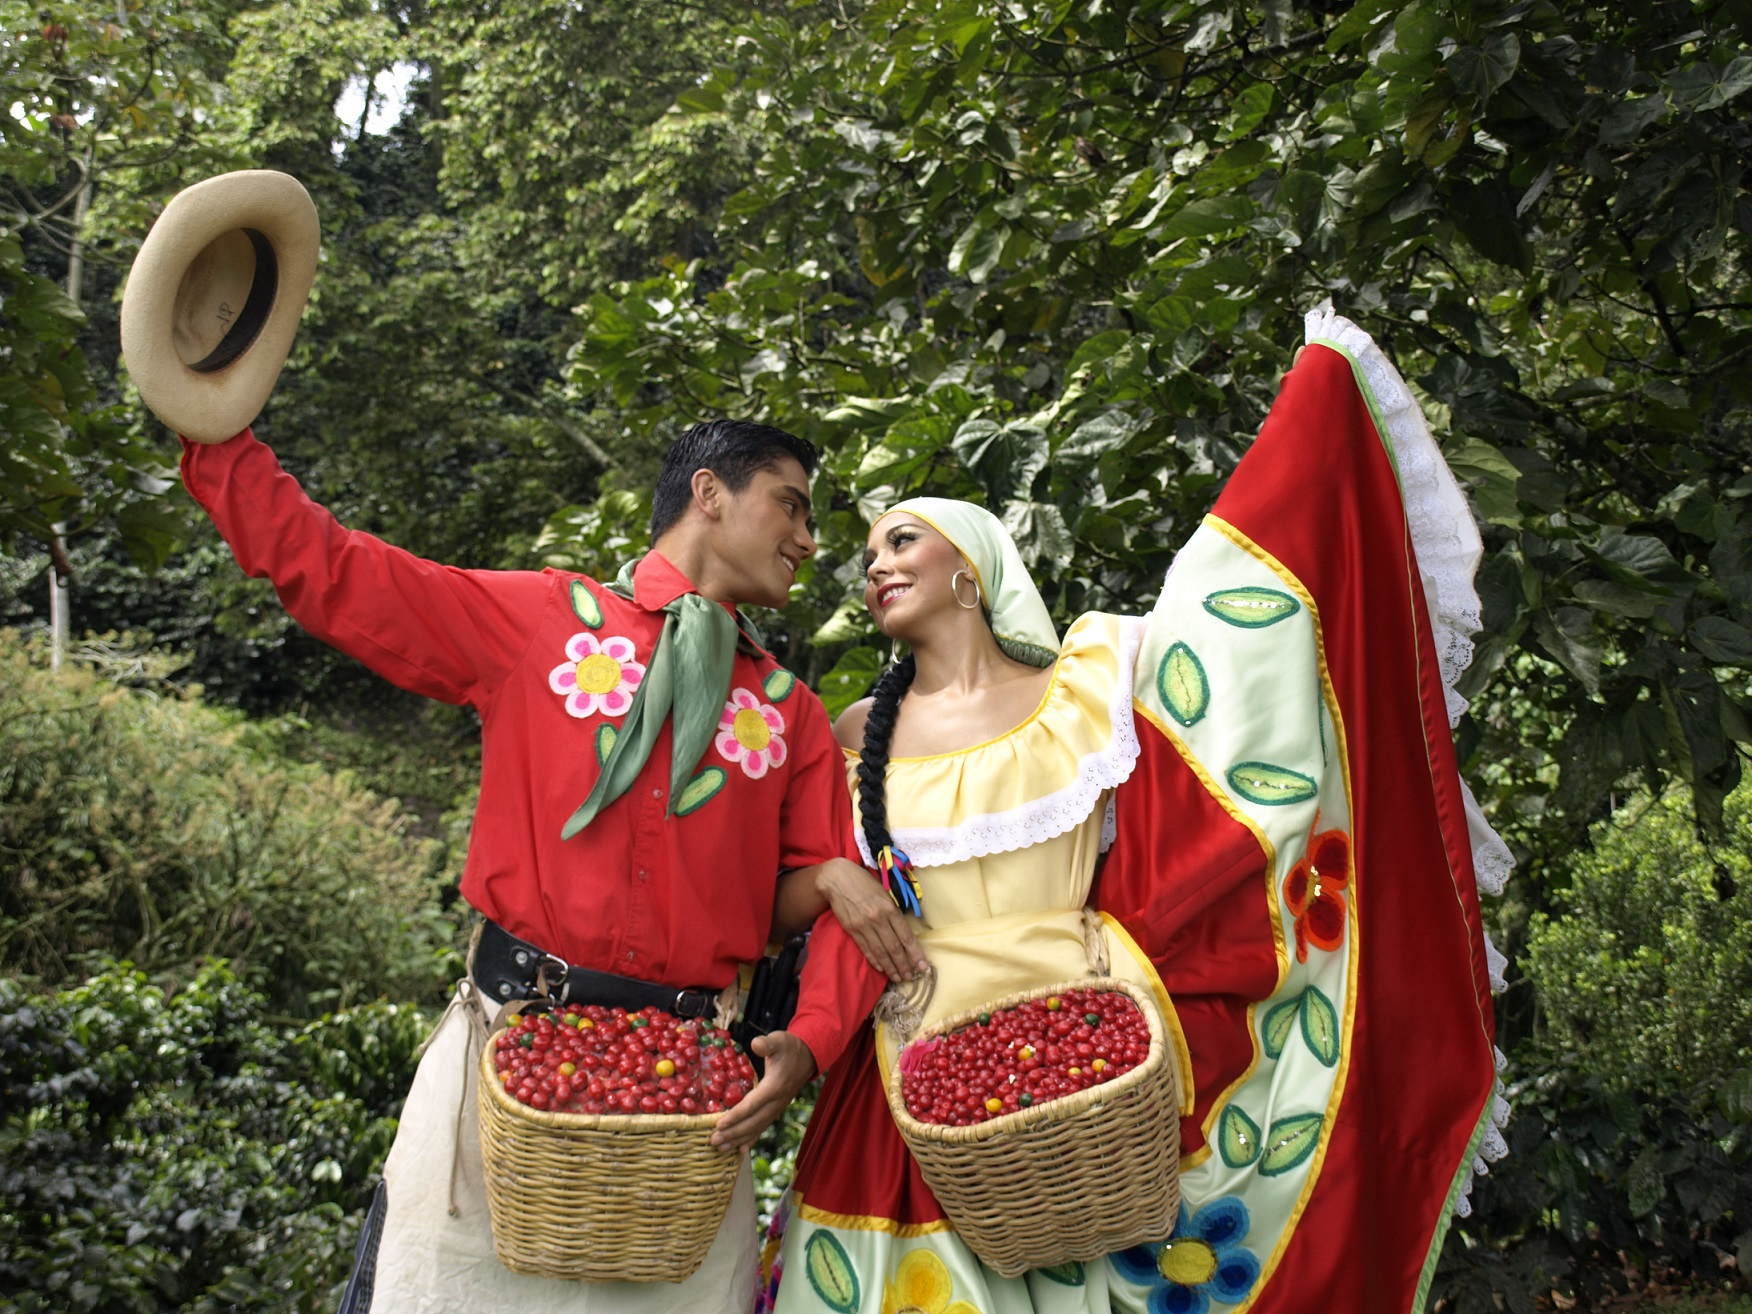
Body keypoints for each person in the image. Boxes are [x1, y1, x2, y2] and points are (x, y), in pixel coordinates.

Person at [766, 310, 1511, 1314]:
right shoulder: (854, 729)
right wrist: (821, 930)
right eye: (866, 555)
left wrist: (1316, 431)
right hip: (914, 1071)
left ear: (971, 570)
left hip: (1097, 1062)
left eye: (903, 539)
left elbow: (1234, 670)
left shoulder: (1088, 686)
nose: (875, 564)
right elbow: (799, 905)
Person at [178, 416, 900, 1314]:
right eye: (790, 505)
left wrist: (812, 1036)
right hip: (503, 1057)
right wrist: (216, 443)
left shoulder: (786, 714)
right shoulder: (546, 624)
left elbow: (842, 899)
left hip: (689, 1103)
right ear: (709, 492)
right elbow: (337, 573)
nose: (807, 538)